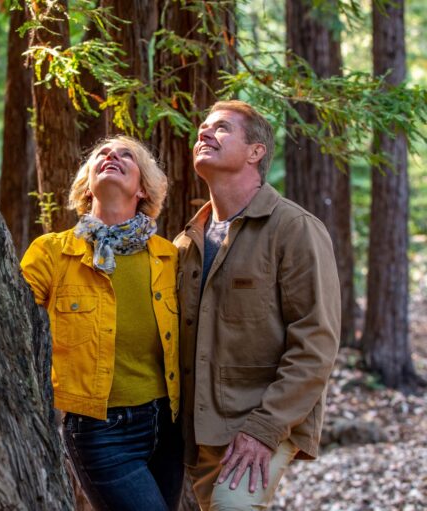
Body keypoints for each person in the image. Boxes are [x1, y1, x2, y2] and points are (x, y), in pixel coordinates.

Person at [173, 100, 341, 510]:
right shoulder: (185, 243)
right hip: (192, 432)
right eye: (202, 128)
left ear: (255, 152)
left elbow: (316, 342)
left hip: (257, 422)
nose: (204, 133)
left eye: (222, 128)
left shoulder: (294, 229)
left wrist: (264, 429)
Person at [21, 136, 184, 511]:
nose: (111, 156)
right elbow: (7, 323)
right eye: (102, 155)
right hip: (99, 429)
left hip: (168, 425)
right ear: (87, 183)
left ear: (143, 188)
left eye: (126, 155)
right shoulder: (52, 252)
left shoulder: (169, 256)